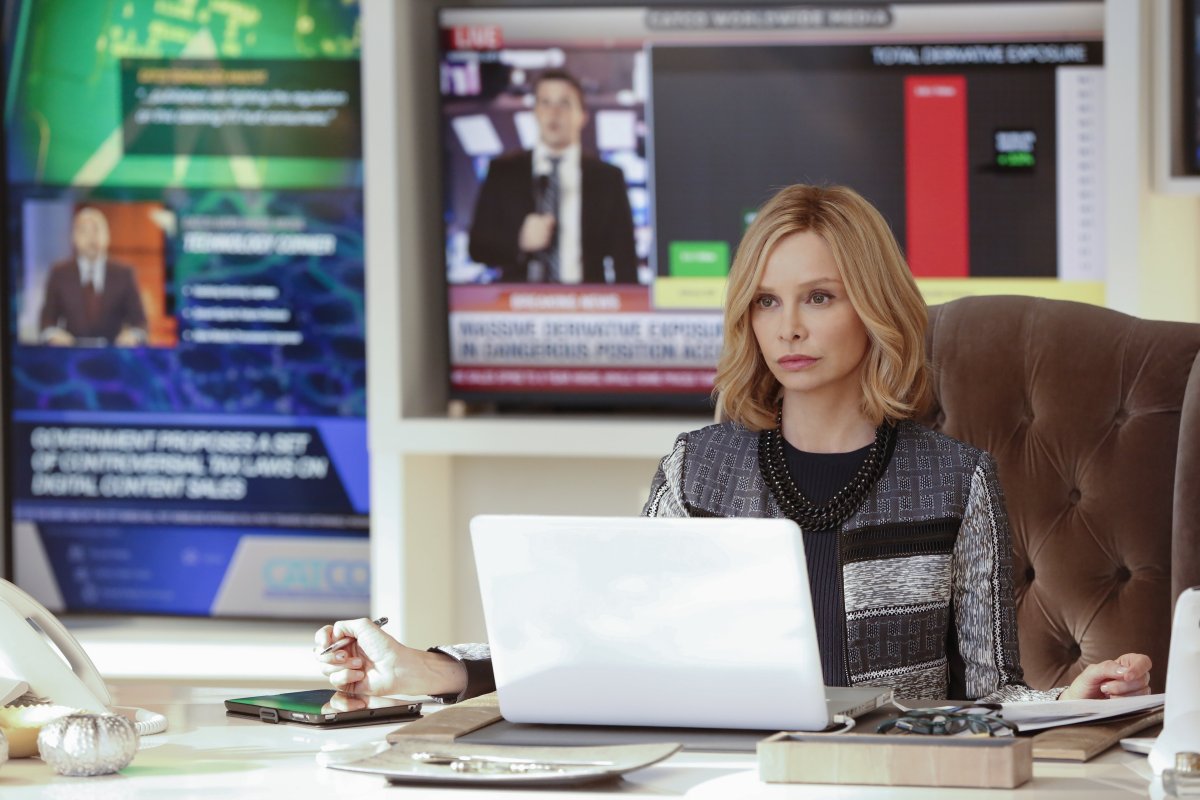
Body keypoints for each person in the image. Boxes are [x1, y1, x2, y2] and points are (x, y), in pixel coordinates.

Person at [316, 184, 1151, 705]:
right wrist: (434, 668)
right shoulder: (698, 467)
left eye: (819, 297)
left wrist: (1071, 700)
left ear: (873, 308)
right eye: (765, 301)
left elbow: (989, 693)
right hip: (722, 776)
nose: (788, 328)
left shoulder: (956, 479)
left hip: (887, 782)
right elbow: (607, 645)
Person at [467, 68, 639, 285]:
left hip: (587, 302)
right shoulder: (503, 171)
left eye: (564, 103)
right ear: (535, 112)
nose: (553, 113)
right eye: (545, 103)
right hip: (518, 302)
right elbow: (477, 248)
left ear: (582, 116)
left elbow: (625, 261)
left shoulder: (608, 178)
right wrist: (519, 241)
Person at [39, 207, 147, 346]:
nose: (91, 237)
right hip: (70, 354)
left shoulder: (124, 273)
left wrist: (132, 336)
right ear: (73, 237)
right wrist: (54, 336)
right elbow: (47, 321)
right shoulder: (59, 273)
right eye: (84, 231)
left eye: (96, 230)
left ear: (108, 235)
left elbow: (140, 322)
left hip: (114, 354)